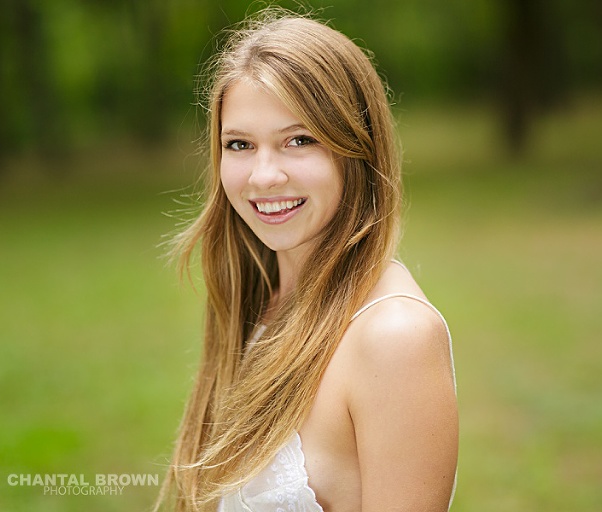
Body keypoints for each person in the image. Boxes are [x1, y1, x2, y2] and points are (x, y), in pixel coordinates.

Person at [158, 8, 458, 512]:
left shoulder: (395, 338)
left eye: (299, 140)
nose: (263, 175)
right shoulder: (264, 299)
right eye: (240, 144)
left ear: (357, 148)